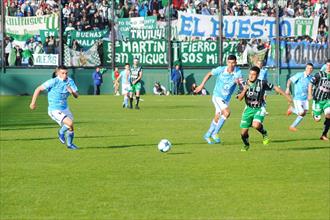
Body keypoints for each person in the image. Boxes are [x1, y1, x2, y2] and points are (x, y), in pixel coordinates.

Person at [237, 66, 292, 151]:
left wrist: (286, 96)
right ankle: (246, 145)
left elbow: (275, 87)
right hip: (248, 109)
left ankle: (264, 133)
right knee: (243, 132)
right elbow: (239, 98)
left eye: (253, 74)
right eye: (250, 74)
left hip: (259, 107)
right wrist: (244, 90)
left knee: (256, 125)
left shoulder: (262, 83)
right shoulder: (243, 84)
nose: (251, 76)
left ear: (257, 75)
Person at [194, 55, 243, 144]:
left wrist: (239, 85)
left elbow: (239, 82)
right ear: (227, 62)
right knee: (227, 112)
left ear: (235, 63)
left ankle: (208, 134)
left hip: (226, 98)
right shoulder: (221, 69)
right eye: (229, 62)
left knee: (218, 116)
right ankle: (215, 133)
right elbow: (209, 74)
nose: (231, 65)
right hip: (217, 96)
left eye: (233, 63)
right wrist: (201, 85)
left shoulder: (238, 72)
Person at [29, 66, 79, 150]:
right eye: (62, 73)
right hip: (54, 109)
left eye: (66, 73)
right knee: (69, 123)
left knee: (71, 126)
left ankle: (70, 145)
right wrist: (33, 103)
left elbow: (76, 96)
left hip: (65, 108)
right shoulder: (53, 81)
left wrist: (72, 92)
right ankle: (61, 132)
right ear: (58, 73)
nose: (65, 75)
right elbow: (38, 89)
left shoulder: (70, 81)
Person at [285, 63, 314, 131]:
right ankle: (292, 124)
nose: (309, 70)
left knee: (304, 113)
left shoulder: (311, 77)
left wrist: (311, 94)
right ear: (306, 68)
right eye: (308, 68)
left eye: (311, 68)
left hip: (305, 98)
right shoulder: (299, 75)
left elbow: (311, 87)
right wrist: (287, 88)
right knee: (301, 112)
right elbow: (290, 80)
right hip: (298, 98)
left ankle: (292, 112)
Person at [308, 59, 330, 141]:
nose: (329, 67)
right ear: (325, 66)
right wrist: (310, 94)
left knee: (329, 115)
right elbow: (311, 83)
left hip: (327, 100)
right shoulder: (320, 74)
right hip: (318, 100)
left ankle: (324, 135)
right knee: (318, 120)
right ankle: (314, 113)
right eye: (327, 65)